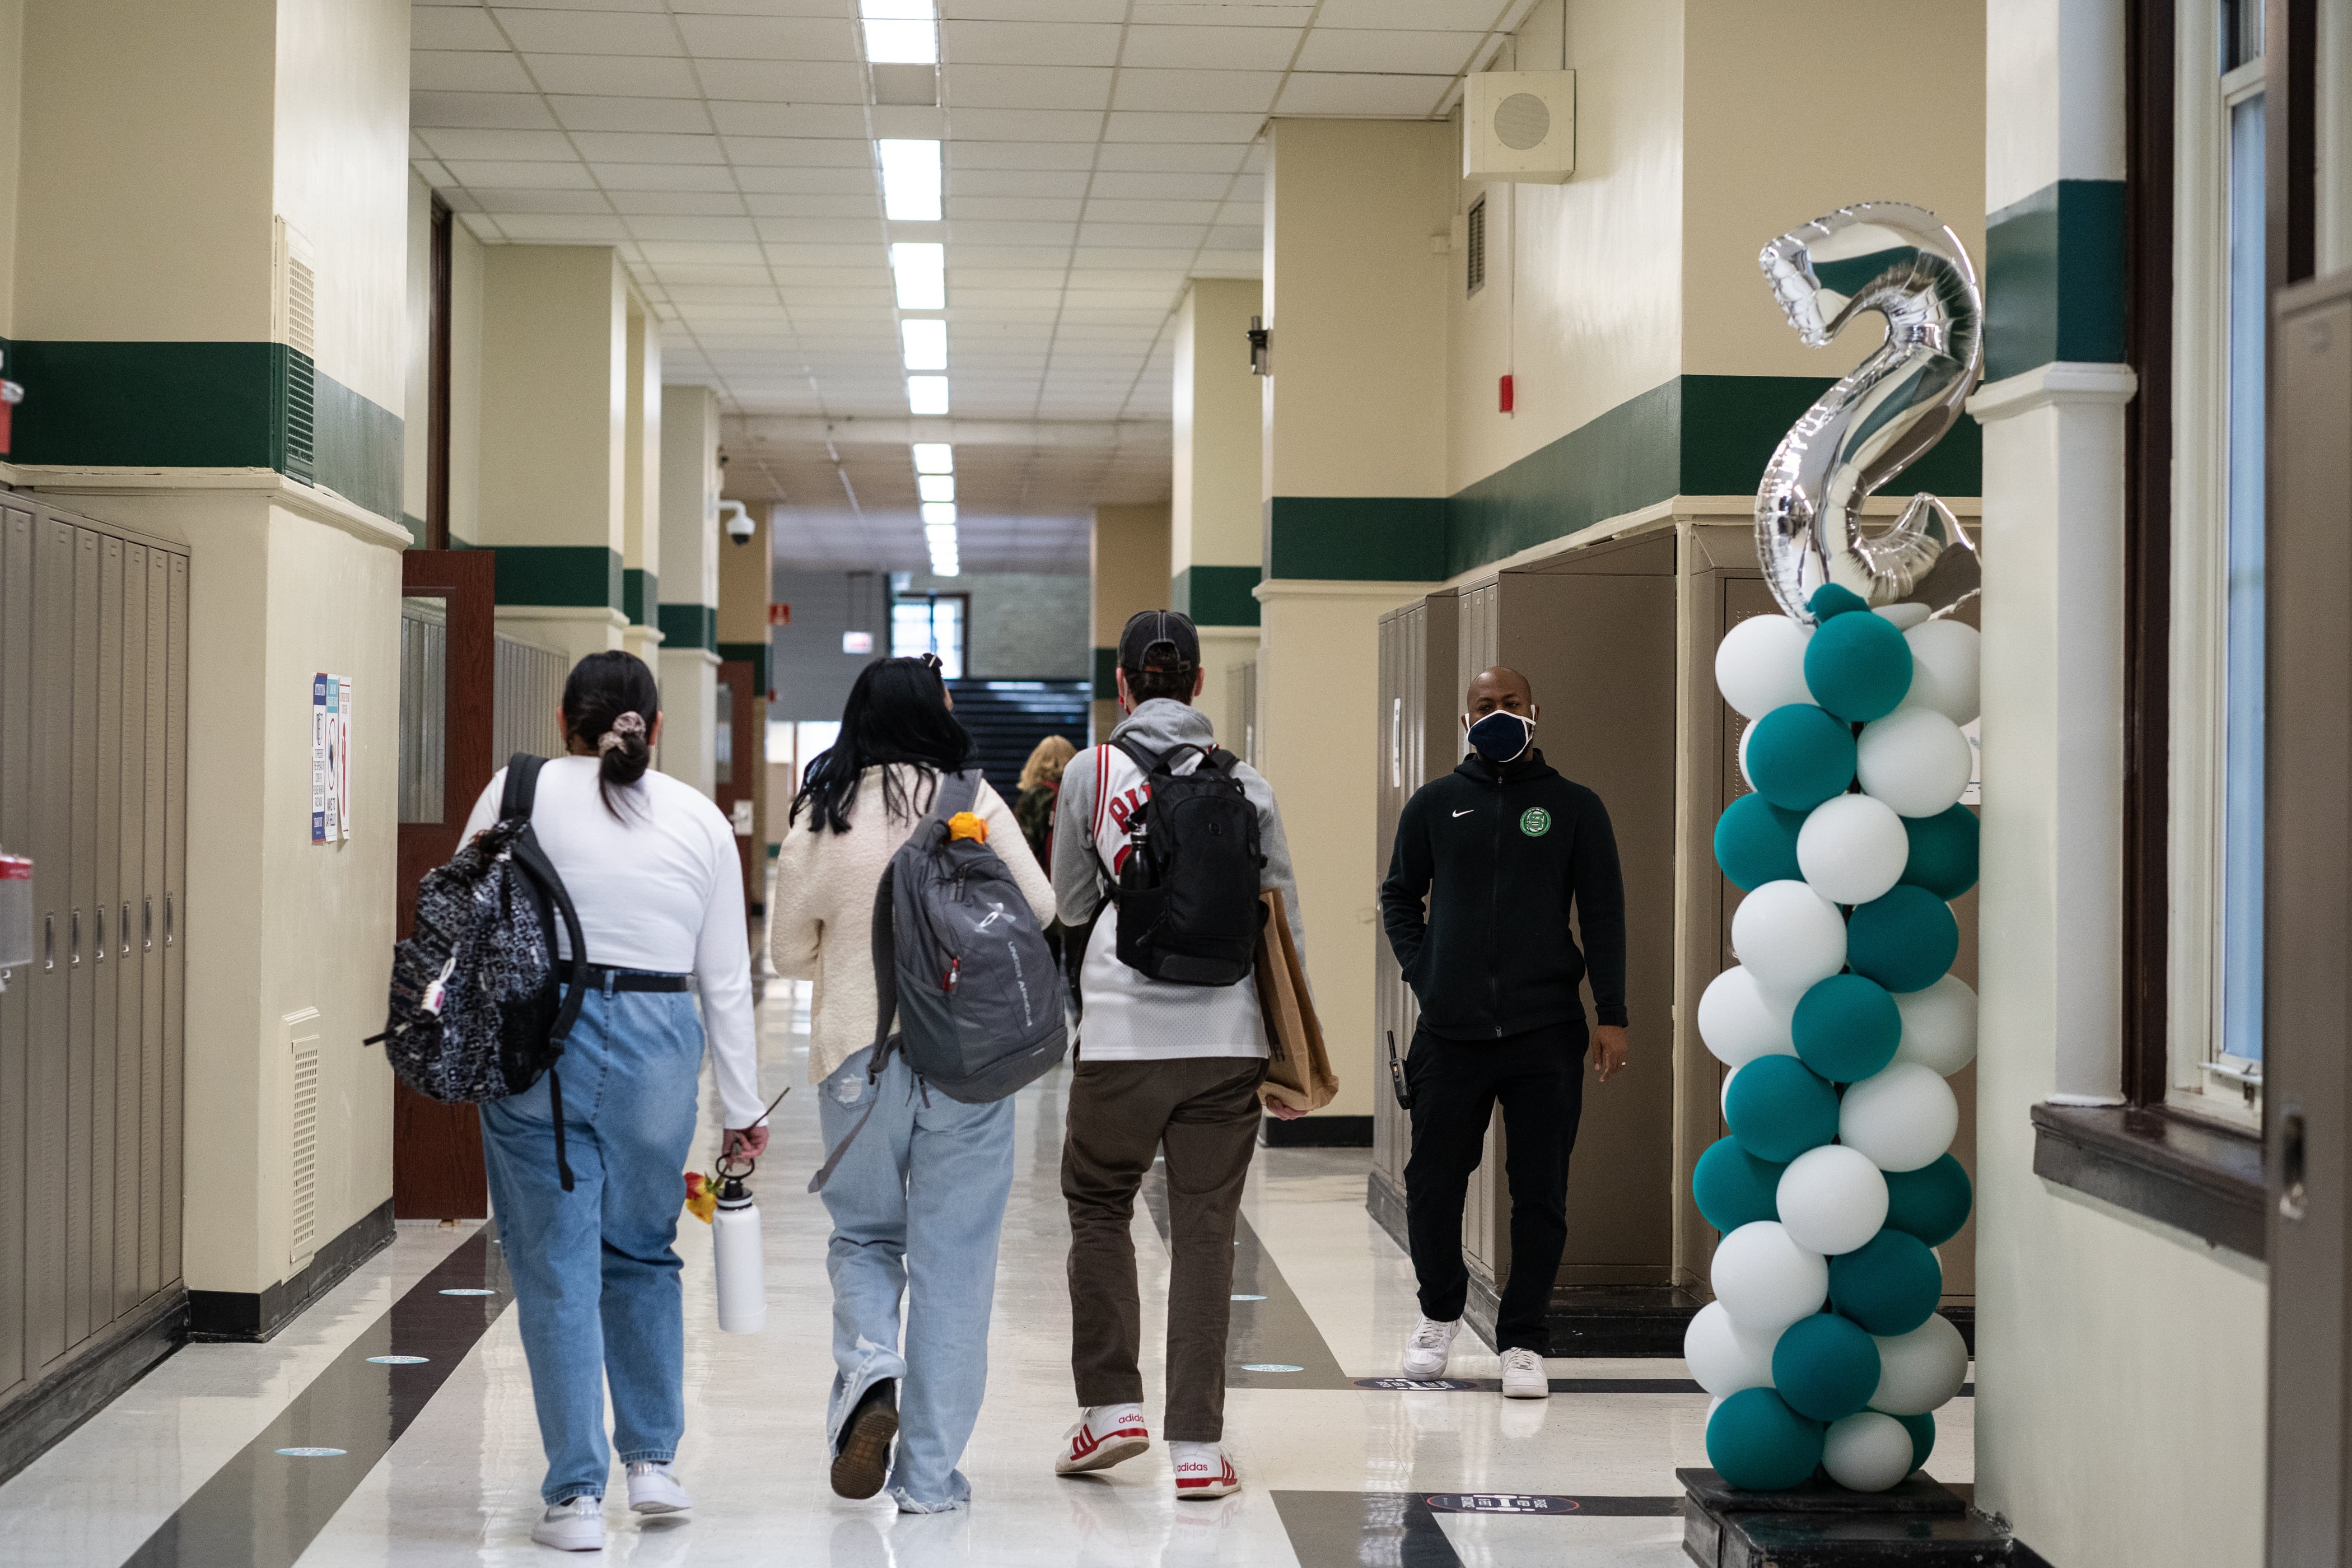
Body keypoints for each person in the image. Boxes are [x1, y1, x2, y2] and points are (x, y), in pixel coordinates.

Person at [458, 650, 763, 1553]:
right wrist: (743, 1111)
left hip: (538, 1035)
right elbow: (727, 981)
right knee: (643, 1247)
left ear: (564, 721)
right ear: (656, 727)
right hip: (659, 1041)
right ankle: (653, 1463)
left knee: (555, 1261)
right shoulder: (700, 820)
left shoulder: (516, 792)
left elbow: (455, 911)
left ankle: (575, 1498)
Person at [769, 655, 1056, 1514]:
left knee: (863, 1238)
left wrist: (850, 951)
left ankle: (871, 1369)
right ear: (935, 717)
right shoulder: (972, 801)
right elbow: (1039, 908)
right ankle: (929, 1481)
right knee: (955, 1267)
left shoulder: (823, 814)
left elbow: (785, 953)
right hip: (965, 1064)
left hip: (858, 1061)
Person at [1048, 609, 1307, 1501]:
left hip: (1121, 1035)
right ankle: (1198, 1447)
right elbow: (1283, 929)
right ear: (1197, 684)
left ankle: (1110, 1409)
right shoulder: (1248, 782)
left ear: (1123, 684)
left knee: (1098, 1204)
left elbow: (1071, 904)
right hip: (1226, 1037)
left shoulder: (1092, 769)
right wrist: (1286, 1053)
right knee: (1206, 1232)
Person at [1376, 665, 1629, 1401]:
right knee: (1432, 1183)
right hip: (1450, 1034)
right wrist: (1428, 972)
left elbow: (1605, 914)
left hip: (1544, 1031)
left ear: (1535, 711)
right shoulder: (1435, 805)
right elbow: (1399, 894)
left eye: (1509, 704)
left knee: (1540, 1192)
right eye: (1484, 706)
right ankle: (1439, 1315)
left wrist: (1610, 1015)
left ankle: (1523, 1338)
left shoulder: (1575, 807)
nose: (1497, 714)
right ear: (1465, 721)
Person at [1014, 733, 1078, 977]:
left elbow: (1023, 849)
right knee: (1079, 966)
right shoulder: (1082, 792)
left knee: (1043, 966)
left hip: (1042, 893)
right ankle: (1083, 1013)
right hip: (1078, 894)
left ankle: (1047, 1012)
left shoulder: (1033, 797)